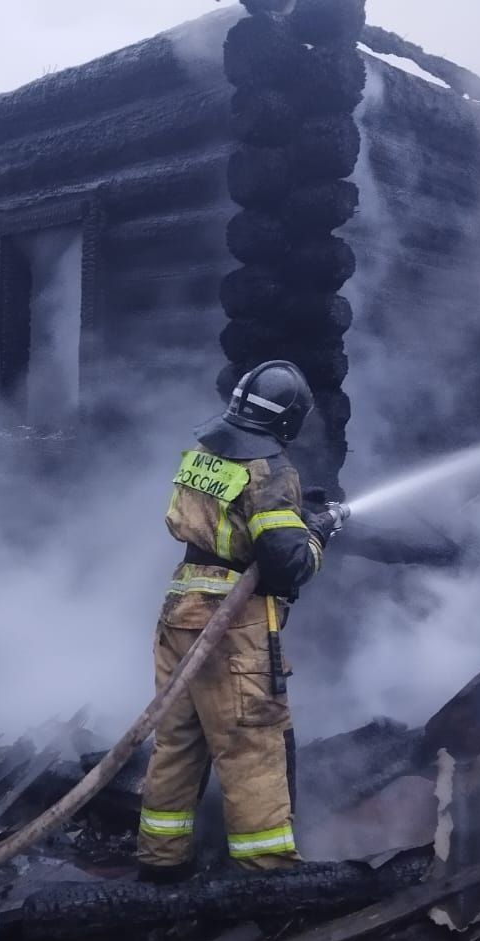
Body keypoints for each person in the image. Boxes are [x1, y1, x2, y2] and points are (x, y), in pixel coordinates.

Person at [136, 360, 347, 882]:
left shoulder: (205, 454)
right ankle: (266, 874)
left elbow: (232, 518)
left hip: (180, 613)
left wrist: (298, 513)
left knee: (178, 742)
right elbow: (286, 563)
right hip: (232, 629)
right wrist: (317, 533)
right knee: (251, 745)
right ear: (288, 422)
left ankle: (162, 862)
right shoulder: (272, 472)